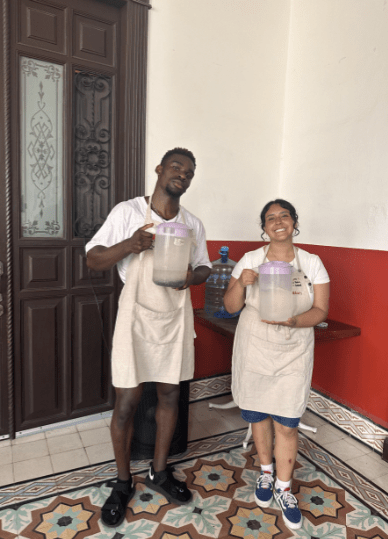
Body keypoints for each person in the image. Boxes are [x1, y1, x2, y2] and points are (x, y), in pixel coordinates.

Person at [86, 148, 211, 528]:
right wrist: (130, 245)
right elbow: (93, 258)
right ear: (159, 170)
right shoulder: (127, 212)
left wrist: (193, 276)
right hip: (136, 316)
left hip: (174, 316)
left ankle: (159, 472)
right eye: (176, 167)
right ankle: (123, 482)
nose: (182, 176)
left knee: (170, 394)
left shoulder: (192, 223)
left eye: (189, 173)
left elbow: (204, 265)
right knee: (127, 399)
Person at [223, 199, 329, 530]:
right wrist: (242, 281)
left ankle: (284, 488)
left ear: (294, 222)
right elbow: (229, 307)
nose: (278, 221)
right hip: (254, 347)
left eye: (284, 216)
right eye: (271, 218)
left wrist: (291, 321)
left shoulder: (311, 263)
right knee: (258, 413)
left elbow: (321, 311)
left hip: (294, 350)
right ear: (264, 227)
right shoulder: (250, 260)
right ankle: (265, 474)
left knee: (286, 422)